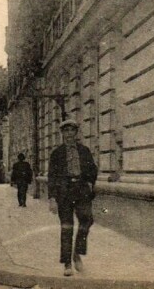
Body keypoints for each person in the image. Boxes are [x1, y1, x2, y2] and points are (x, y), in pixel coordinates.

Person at [48, 118, 98, 277]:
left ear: (76, 133)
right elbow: (52, 176)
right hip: (64, 192)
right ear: (62, 133)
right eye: (66, 131)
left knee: (87, 220)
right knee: (66, 226)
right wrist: (52, 198)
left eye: (72, 131)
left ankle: (77, 253)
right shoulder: (57, 153)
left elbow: (93, 169)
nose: (69, 134)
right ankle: (67, 263)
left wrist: (90, 181)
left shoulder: (84, 151)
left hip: (81, 190)